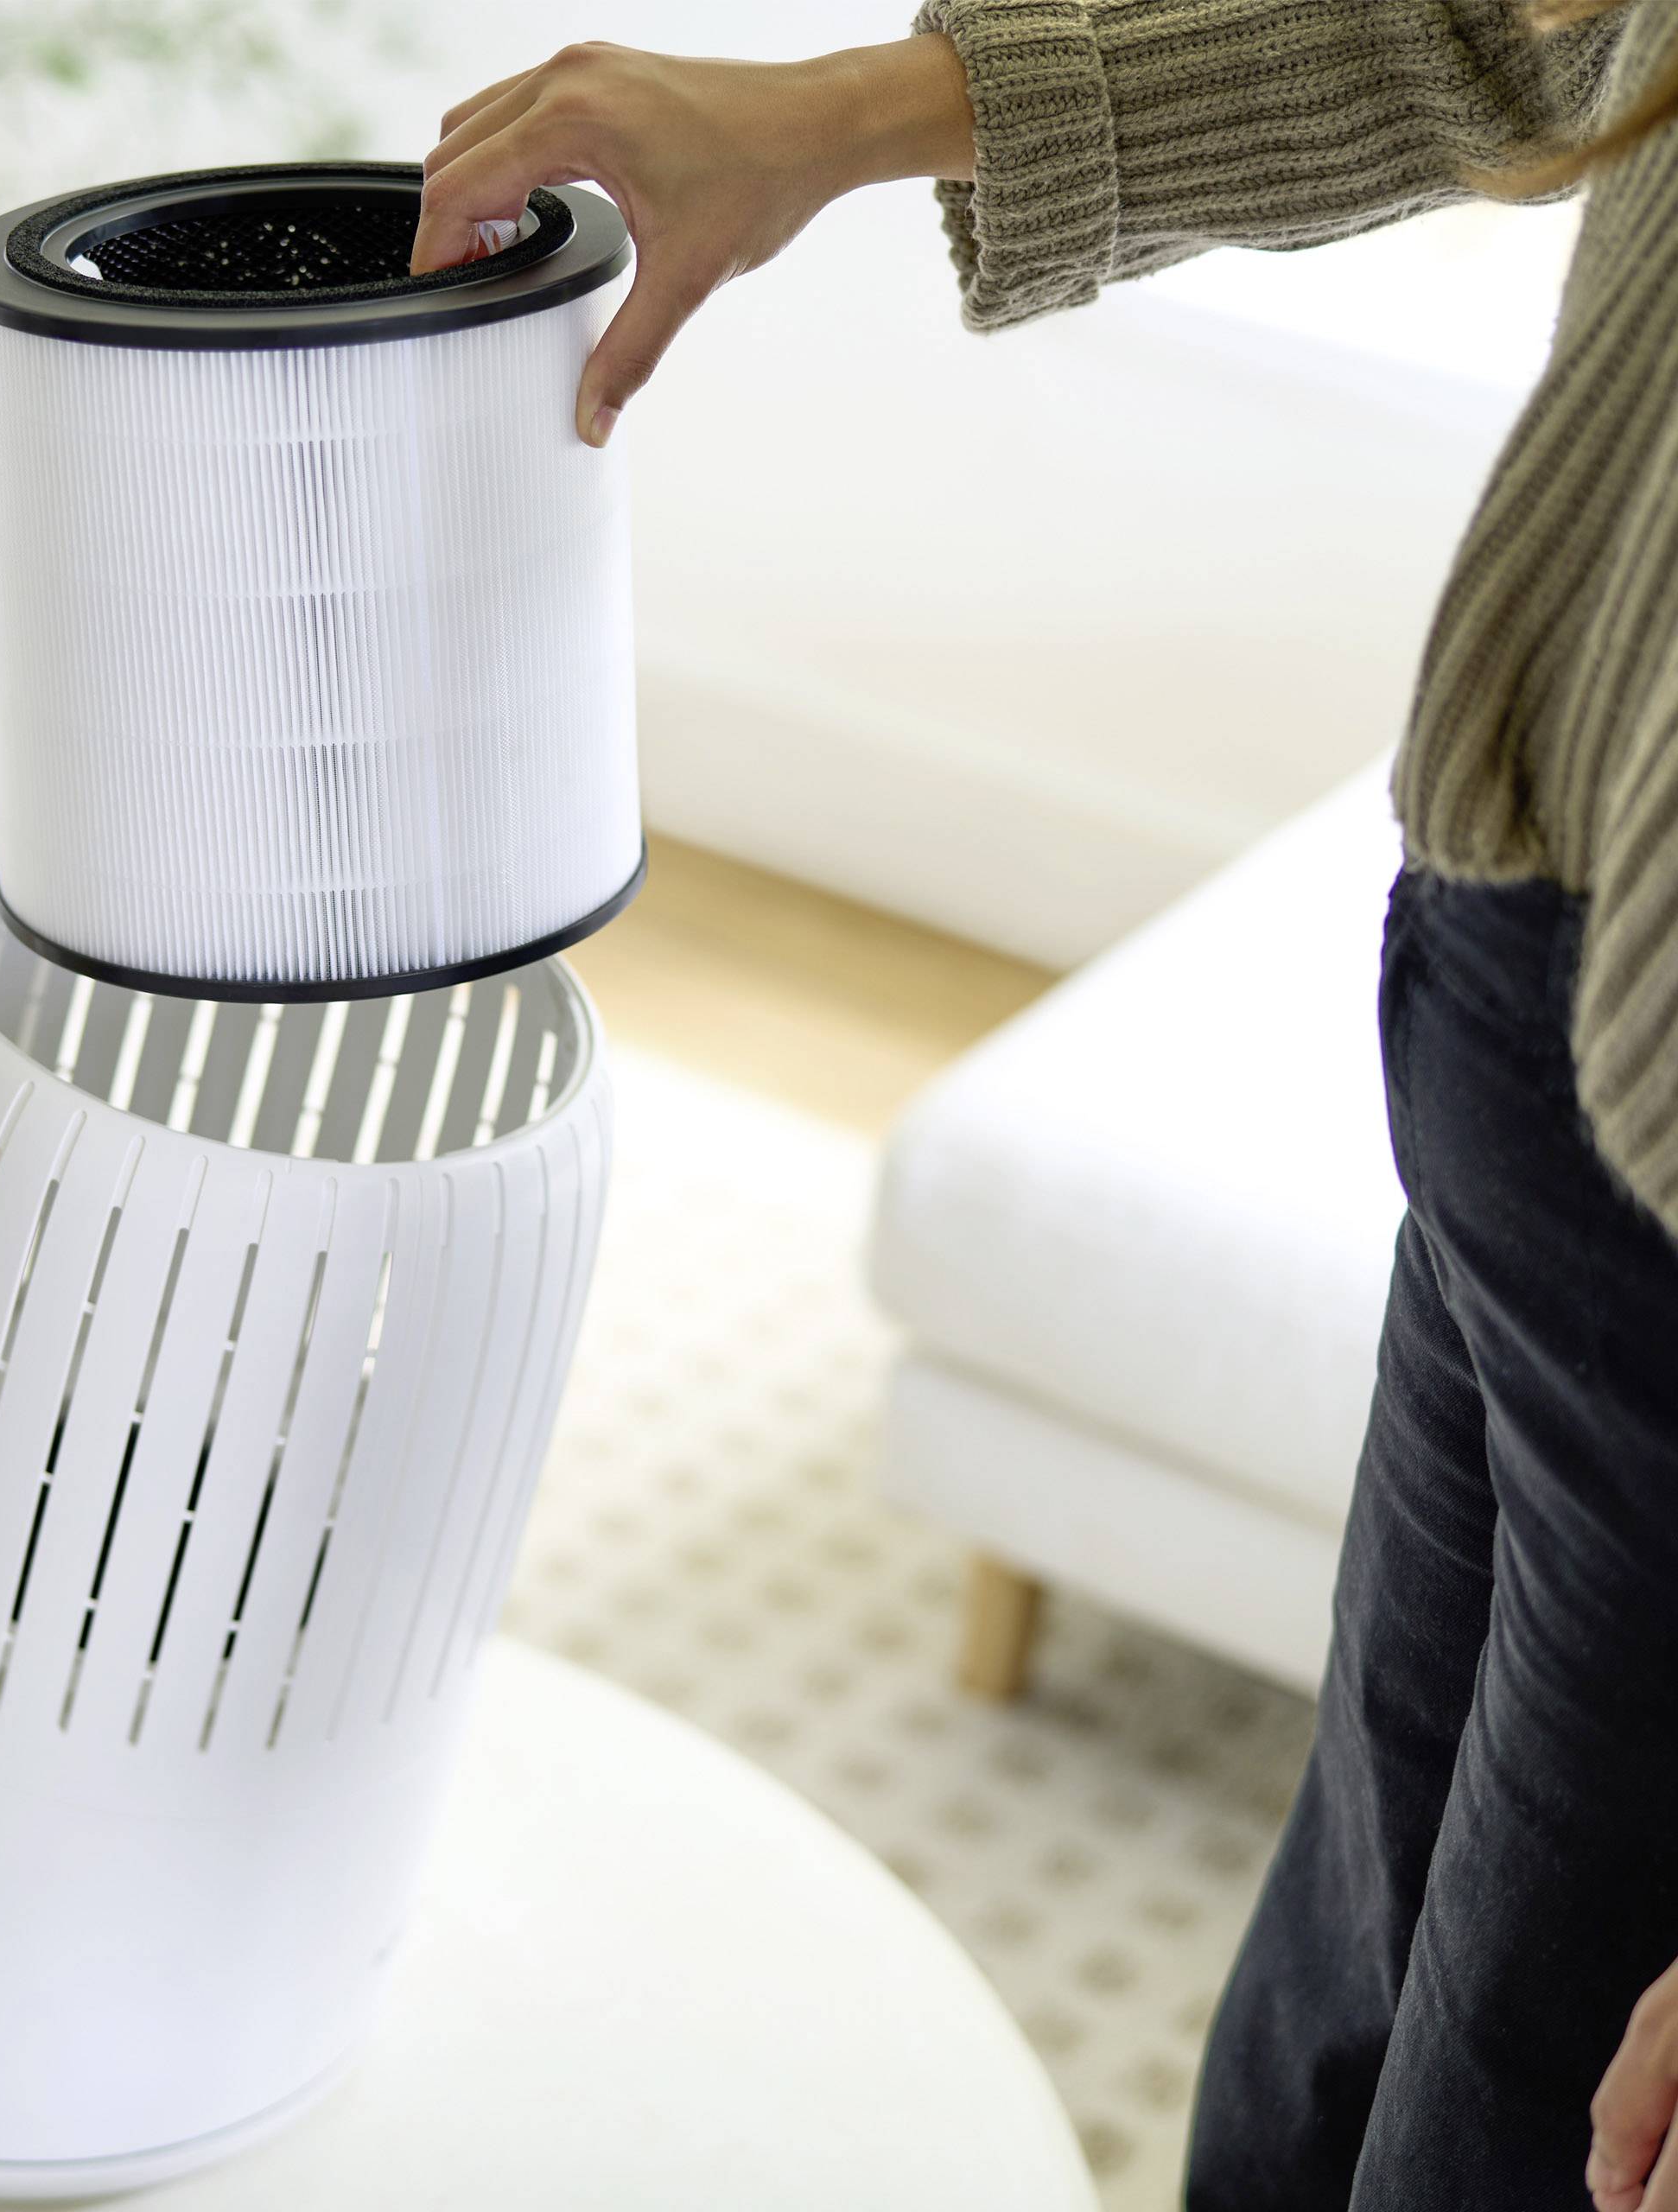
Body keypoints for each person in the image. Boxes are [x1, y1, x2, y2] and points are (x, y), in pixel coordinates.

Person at [411, 10, 1678, 2209]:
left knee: (1500, 2128)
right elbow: (1530, 32)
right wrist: (831, 123)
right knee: (1319, 2034)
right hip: (1527, 989)